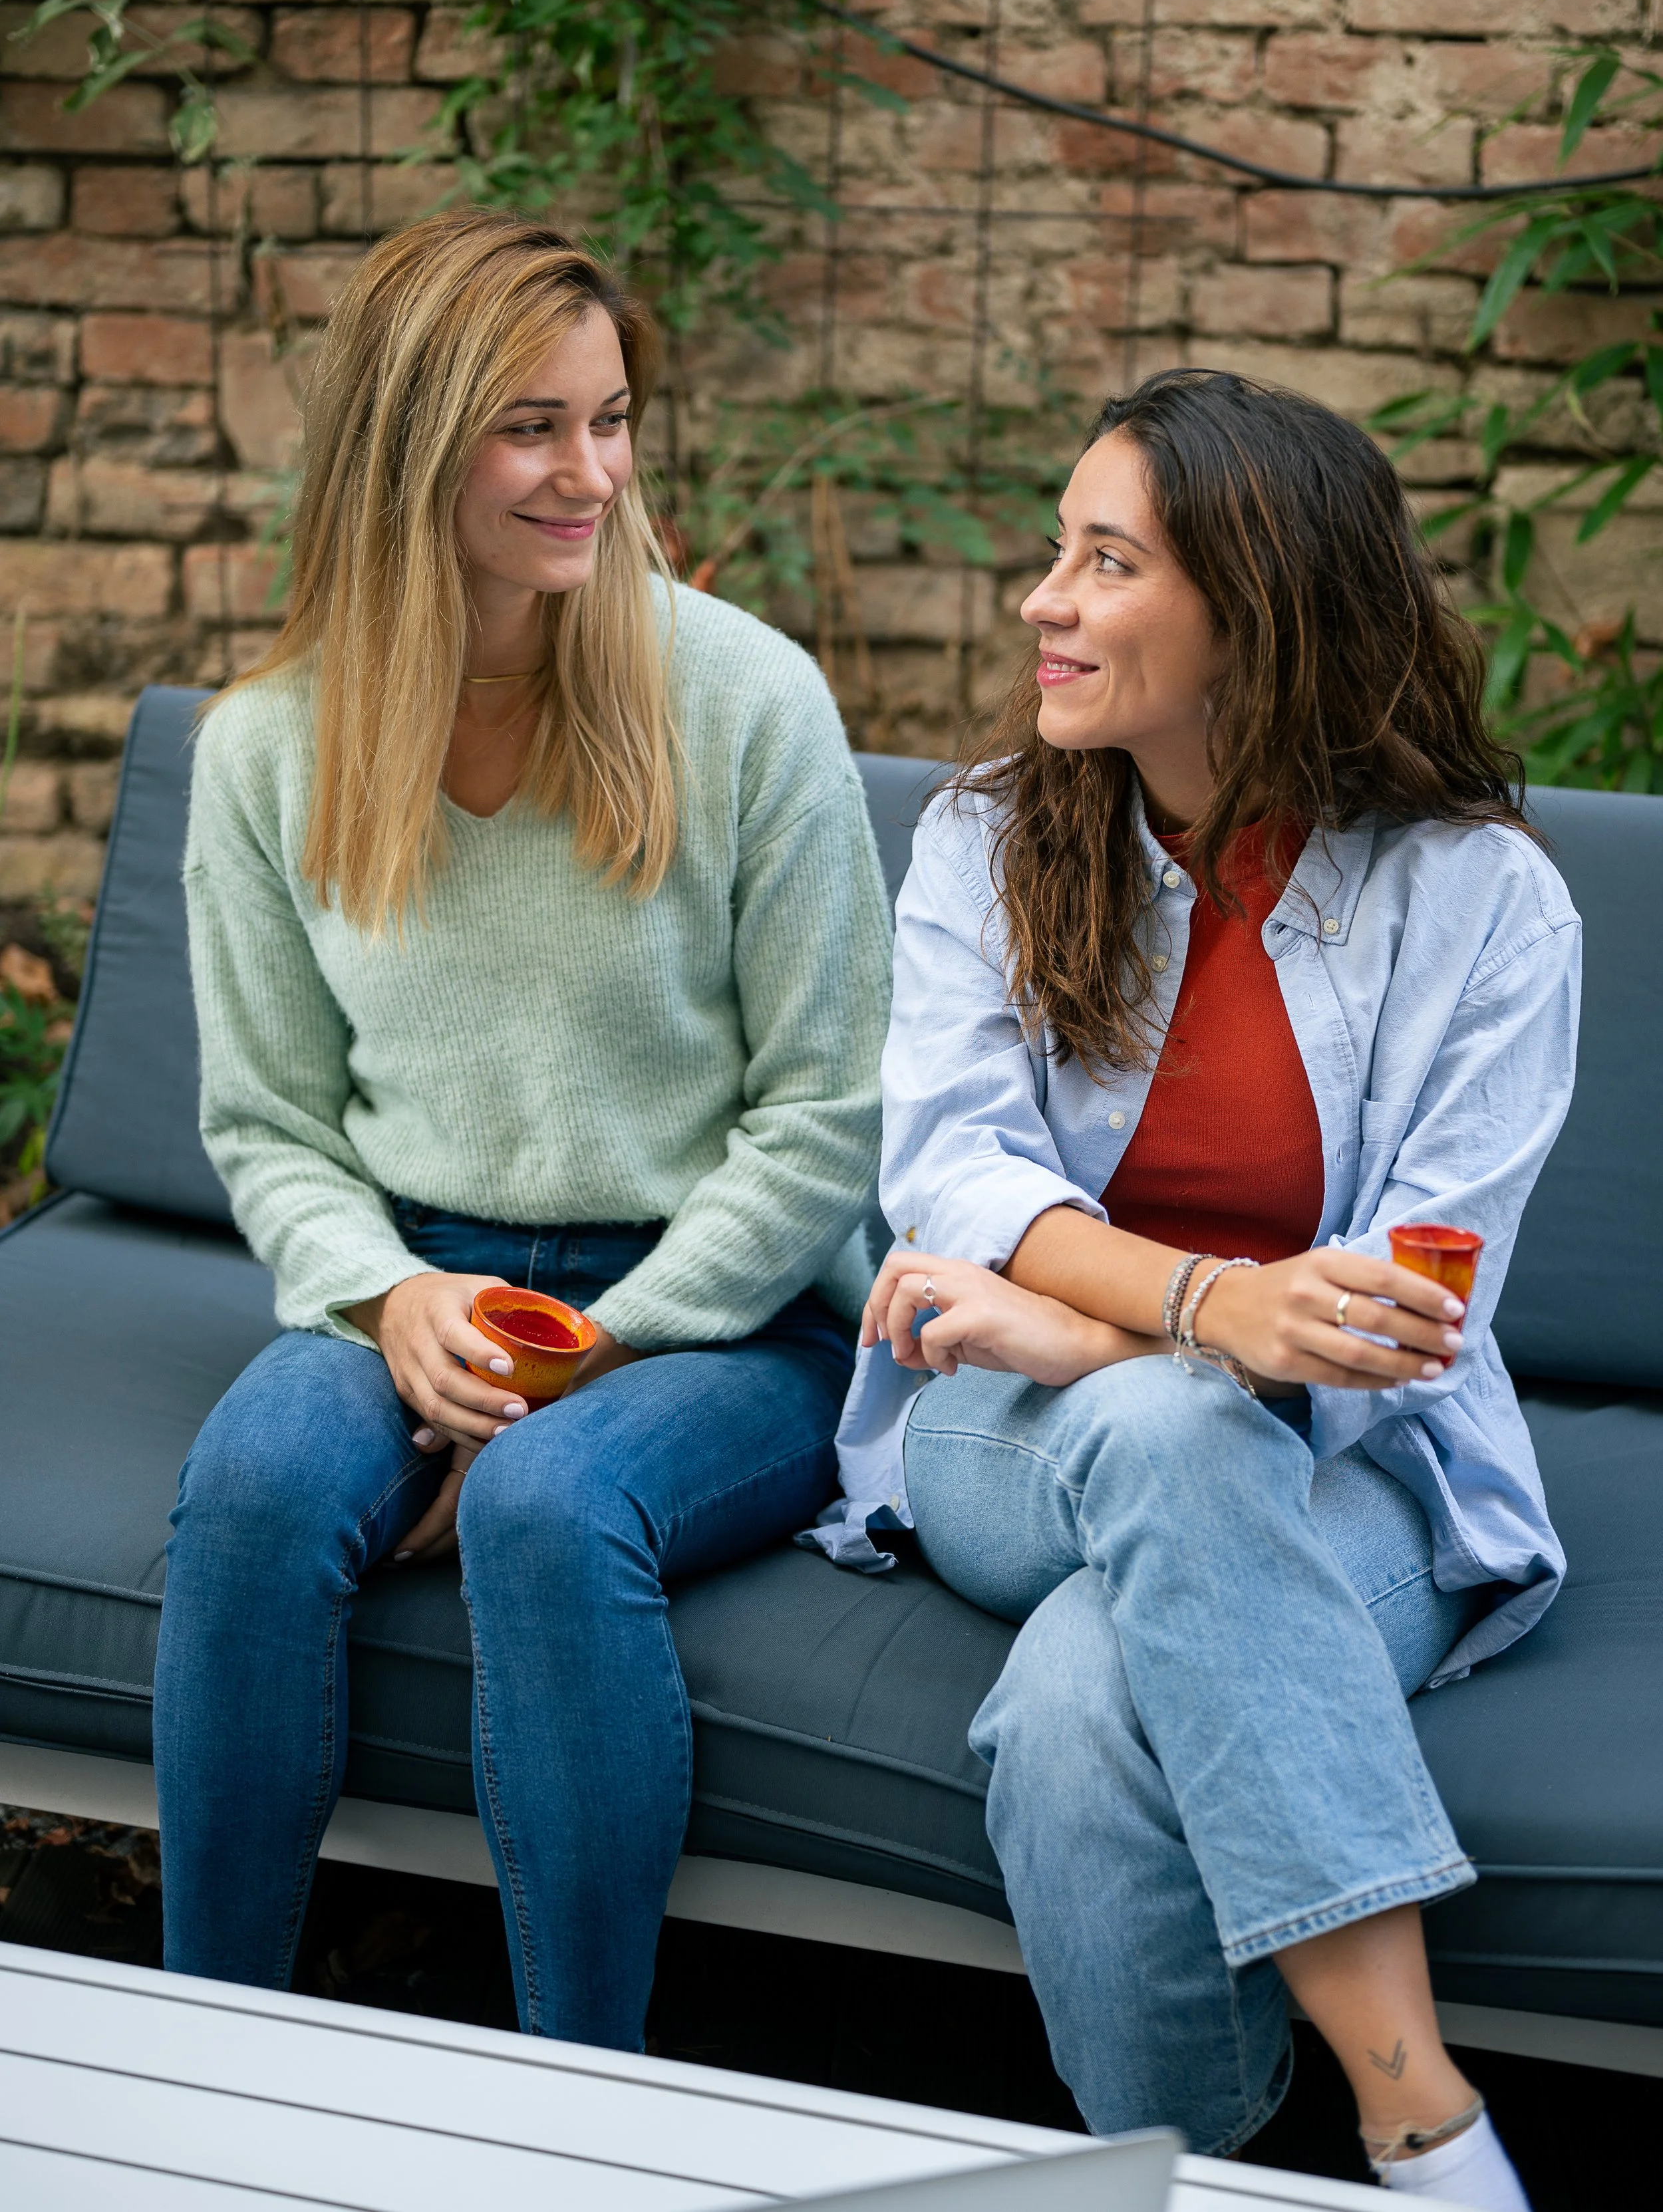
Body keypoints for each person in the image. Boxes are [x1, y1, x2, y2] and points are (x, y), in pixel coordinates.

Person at [808, 371, 1577, 2210]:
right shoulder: (987, 839)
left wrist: (1103, 1316)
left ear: (1258, 608)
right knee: (1161, 1408)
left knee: (1078, 1714)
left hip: (1345, 1457)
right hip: (1002, 1432)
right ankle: (1417, 2119)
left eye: (1102, 560)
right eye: (1053, 554)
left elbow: (1402, 1309)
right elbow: (959, 1174)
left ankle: (1186, 2177)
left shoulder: (1481, 903)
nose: (1040, 602)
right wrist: (1196, 1313)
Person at [156, 208, 892, 2047]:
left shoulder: (745, 699)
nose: (591, 473)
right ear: (411, 448)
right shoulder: (272, 748)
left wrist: (587, 1355)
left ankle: (589, 2107)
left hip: (723, 1311)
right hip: (427, 1277)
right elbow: (268, 1120)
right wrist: (385, 1297)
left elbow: (827, 1118)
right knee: (253, 1484)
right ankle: (200, 2060)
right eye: (531, 427)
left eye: (611, 418)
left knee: (552, 1505)